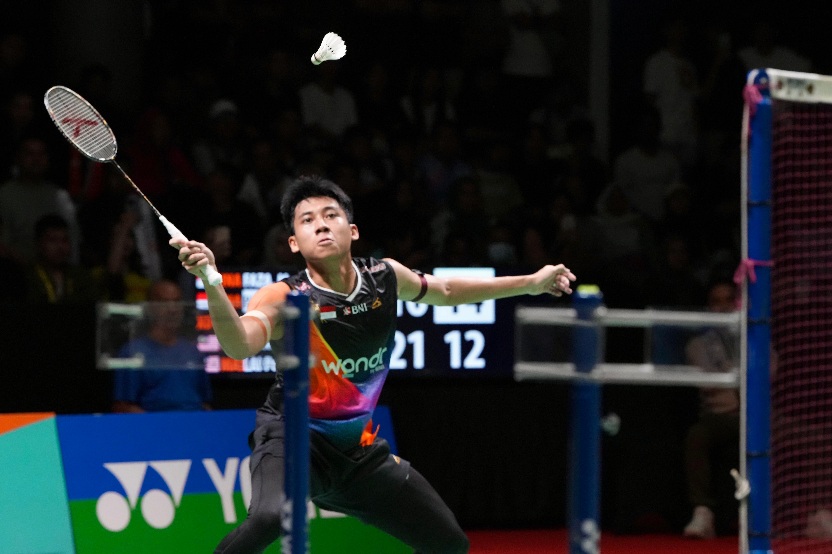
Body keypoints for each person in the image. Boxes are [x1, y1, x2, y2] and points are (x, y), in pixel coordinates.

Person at [172, 175, 576, 553]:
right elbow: (239, 344)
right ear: (294, 243)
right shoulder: (283, 297)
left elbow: (448, 290)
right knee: (269, 518)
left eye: (331, 215)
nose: (321, 225)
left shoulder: (385, 276)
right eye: (307, 220)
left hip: (357, 452)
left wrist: (531, 282)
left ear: (353, 230)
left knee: (450, 542)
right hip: (293, 439)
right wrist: (212, 281)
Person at [682, 279, 740, 539]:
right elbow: (708, 383)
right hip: (720, 418)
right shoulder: (697, 345)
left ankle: (814, 512)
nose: (723, 307)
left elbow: (770, 370)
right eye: (717, 301)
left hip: (760, 417)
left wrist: (730, 381)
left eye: (729, 300)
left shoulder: (757, 336)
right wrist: (738, 379)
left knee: (810, 436)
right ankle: (703, 512)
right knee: (697, 436)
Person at [112, 279, 211, 413]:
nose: (172, 309)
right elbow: (123, 406)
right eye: (164, 302)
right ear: (150, 307)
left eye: (176, 302)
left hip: (194, 422)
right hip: (154, 423)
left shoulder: (193, 352)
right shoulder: (132, 352)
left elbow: (205, 403)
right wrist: (157, 423)